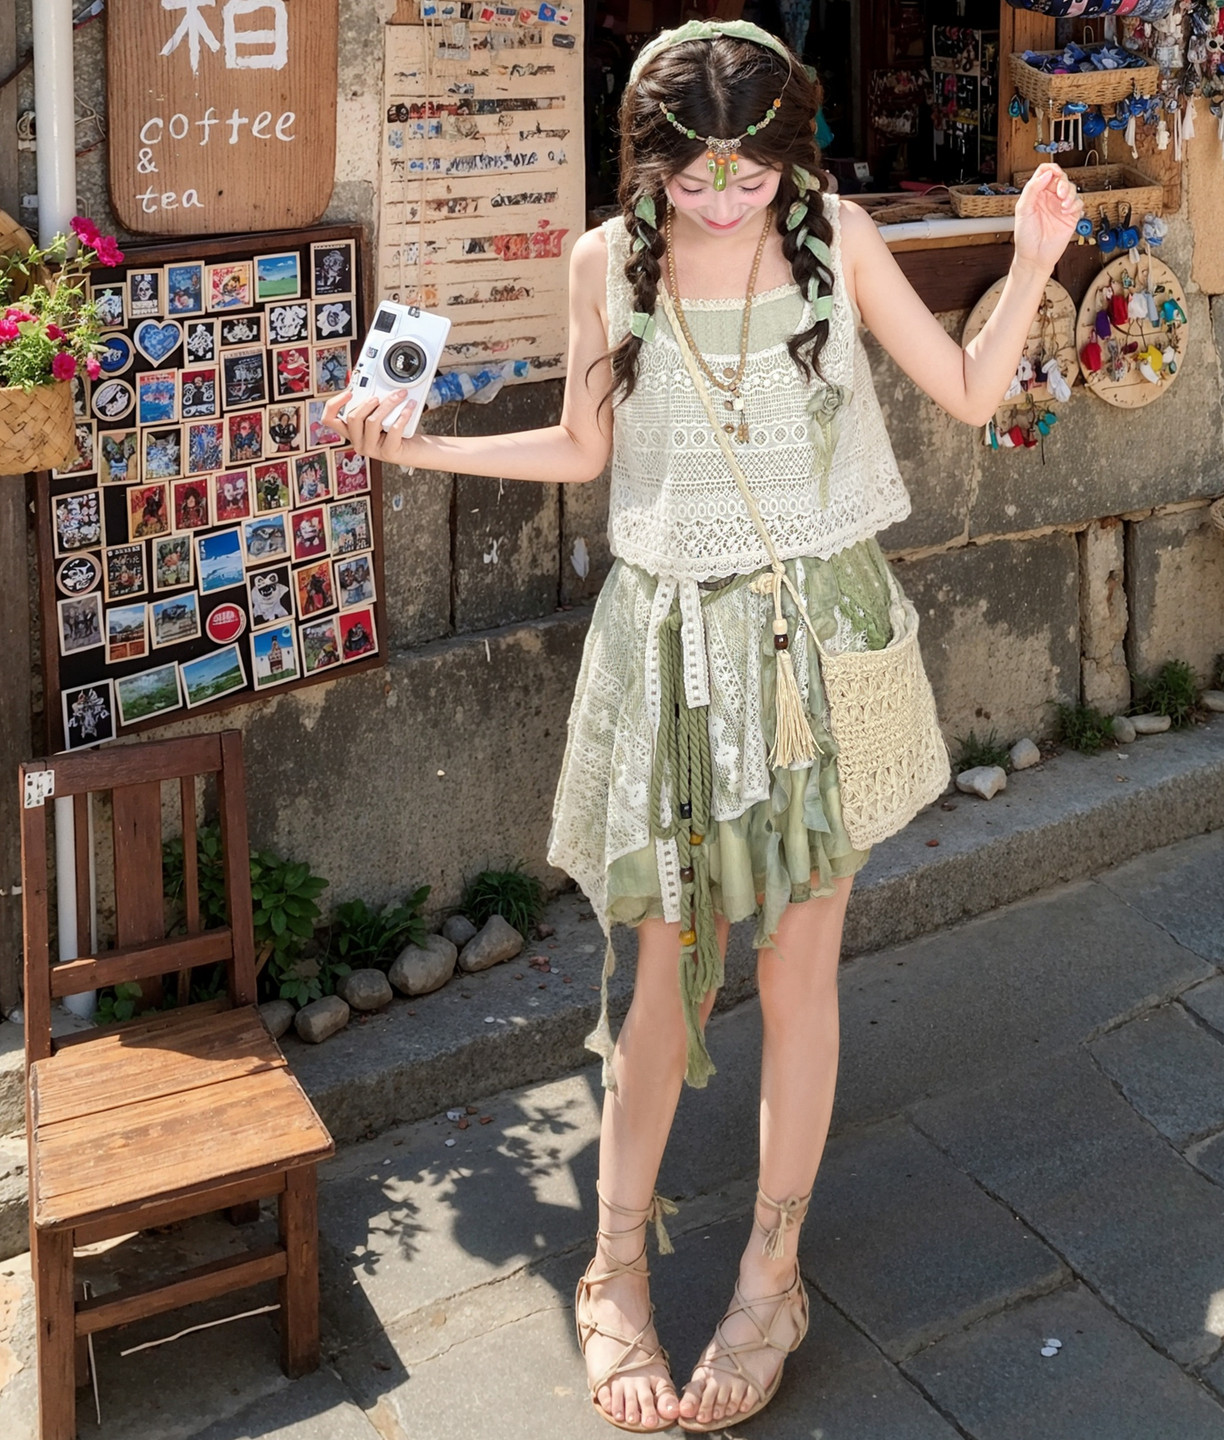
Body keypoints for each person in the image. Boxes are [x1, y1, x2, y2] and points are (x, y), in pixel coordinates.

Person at [326, 21, 1081, 1433]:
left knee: (801, 975)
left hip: (817, 644)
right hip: (673, 651)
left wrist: (1033, 261)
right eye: (693, 176)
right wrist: (412, 443)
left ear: (791, 153)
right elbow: (582, 449)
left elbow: (974, 392)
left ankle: (770, 1279)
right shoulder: (603, 263)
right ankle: (613, 1273)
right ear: (648, 162)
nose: (725, 199)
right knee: (665, 980)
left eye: (751, 171)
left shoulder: (836, 234)